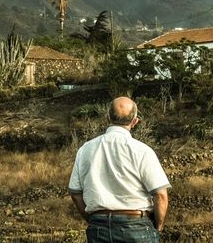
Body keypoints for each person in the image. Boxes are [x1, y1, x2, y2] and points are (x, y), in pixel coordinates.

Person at [68, 96, 170, 243]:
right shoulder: (142, 151)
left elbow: (75, 193)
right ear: (135, 121)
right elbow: (160, 195)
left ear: (107, 116)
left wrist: (93, 219)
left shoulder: (85, 150)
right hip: (136, 226)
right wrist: (158, 226)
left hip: (98, 227)